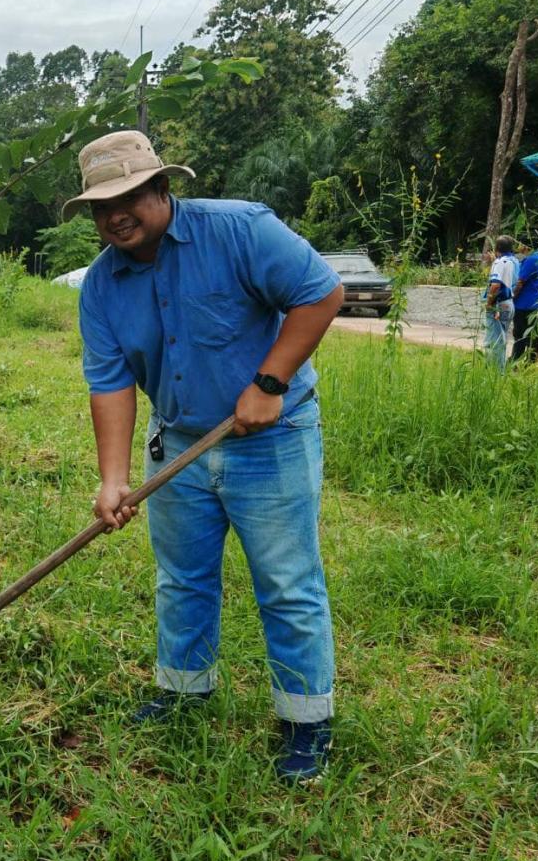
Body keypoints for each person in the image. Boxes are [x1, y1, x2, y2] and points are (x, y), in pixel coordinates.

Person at [67, 131, 344, 784]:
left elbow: (322, 292)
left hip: (270, 441)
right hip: (178, 445)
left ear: (163, 188)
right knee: (182, 578)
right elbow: (108, 385)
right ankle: (182, 692)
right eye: (101, 207)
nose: (116, 215)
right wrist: (113, 481)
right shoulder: (101, 289)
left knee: (285, 583)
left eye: (129, 196)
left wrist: (270, 382)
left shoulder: (241, 230)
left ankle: (306, 724)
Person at [484, 236, 518, 370]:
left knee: (493, 340)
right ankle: (500, 369)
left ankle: (495, 372)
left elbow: (495, 285)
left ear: (497, 248)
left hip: (498, 304)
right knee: (502, 338)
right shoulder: (514, 261)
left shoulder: (499, 262)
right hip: (509, 303)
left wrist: (489, 302)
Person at [512, 245, 538, 364]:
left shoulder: (530, 260)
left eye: (518, 244)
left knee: (519, 334)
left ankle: (515, 361)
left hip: (523, 303)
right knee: (532, 333)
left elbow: (520, 282)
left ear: (525, 246)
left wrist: (511, 297)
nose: (517, 247)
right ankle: (531, 360)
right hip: (533, 301)